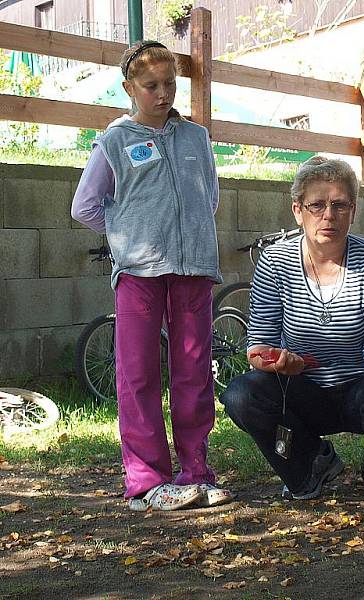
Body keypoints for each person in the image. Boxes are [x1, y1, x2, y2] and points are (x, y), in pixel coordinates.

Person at [71, 41, 233, 511]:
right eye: (151, 86)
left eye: (169, 84)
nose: (163, 94)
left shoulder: (196, 138)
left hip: (194, 269)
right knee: (138, 374)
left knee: (194, 373)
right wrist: (127, 232)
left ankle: (195, 472)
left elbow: (210, 198)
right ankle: (146, 482)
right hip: (140, 272)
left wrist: (187, 233)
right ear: (129, 89)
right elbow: (84, 207)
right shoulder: (115, 141)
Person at [220, 156, 364, 501]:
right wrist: (279, 363)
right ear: (298, 210)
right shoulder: (274, 262)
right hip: (302, 389)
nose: (329, 215)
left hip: (363, 384)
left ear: (353, 210)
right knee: (241, 394)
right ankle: (309, 464)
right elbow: (258, 347)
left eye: (339, 205)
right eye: (317, 205)